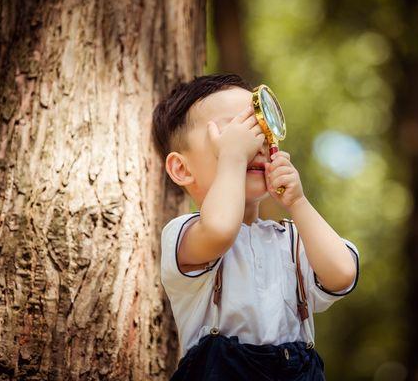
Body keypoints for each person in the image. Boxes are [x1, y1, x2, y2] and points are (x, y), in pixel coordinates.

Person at [151, 74, 360, 380]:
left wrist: (298, 202)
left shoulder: (290, 239)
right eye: (233, 131)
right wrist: (233, 157)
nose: (254, 143)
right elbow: (220, 230)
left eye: (261, 130)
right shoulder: (185, 234)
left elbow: (342, 273)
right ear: (181, 169)